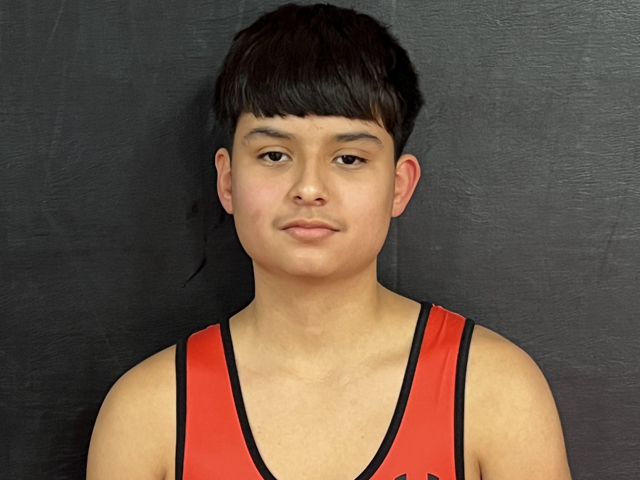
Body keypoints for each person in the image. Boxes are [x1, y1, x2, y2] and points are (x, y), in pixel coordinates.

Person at [86, 3, 572, 480]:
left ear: (399, 185)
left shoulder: (493, 392)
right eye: (274, 154)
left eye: (349, 159)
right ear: (228, 181)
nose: (309, 187)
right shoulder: (149, 414)